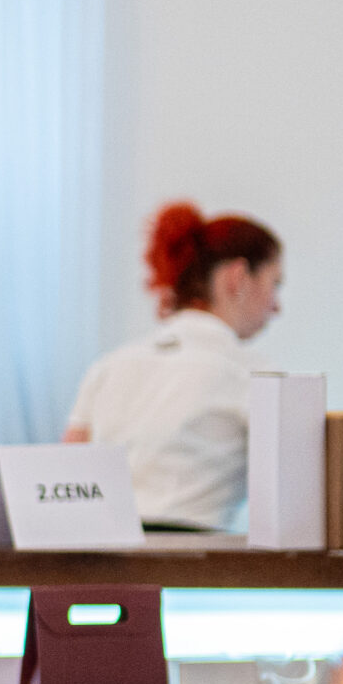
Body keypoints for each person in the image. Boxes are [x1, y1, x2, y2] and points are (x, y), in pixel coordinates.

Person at [65, 202, 283, 531]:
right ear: (237, 276)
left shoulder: (109, 367)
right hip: (192, 555)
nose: (276, 306)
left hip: (98, 552)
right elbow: (289, 498)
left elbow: (64, 478)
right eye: (274, 284)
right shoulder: (254, 375)